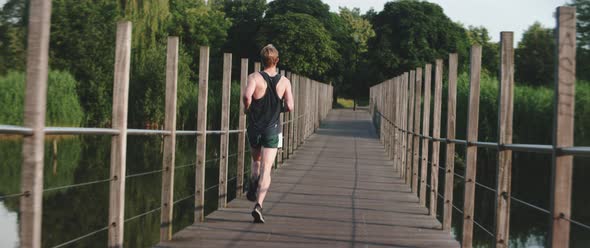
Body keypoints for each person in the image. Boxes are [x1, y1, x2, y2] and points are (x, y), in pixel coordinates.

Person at [243, 44, 294, 223]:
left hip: (254, 127)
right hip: (272, 129)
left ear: (261, 60)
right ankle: (258, 205)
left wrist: (247, 108)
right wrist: (280, 108)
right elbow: (290, 106)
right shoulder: (285, 81)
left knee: (255, 161)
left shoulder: (254, 77)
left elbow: (247, 96)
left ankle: (252, 182)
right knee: (267, 168)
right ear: (277, 61)